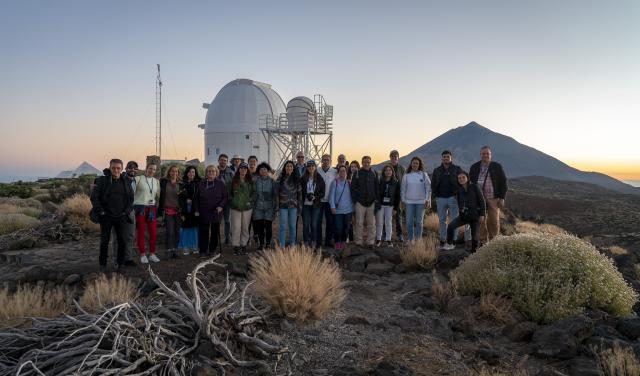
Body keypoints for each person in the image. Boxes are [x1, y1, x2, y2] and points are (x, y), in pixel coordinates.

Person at [90, 159, 134, 272]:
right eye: (113, 168)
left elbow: (130, 199)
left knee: (122, 241)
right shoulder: (101, 180)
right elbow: (94, 197)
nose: (116, 170)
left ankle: (120, 265)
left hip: (121, 216)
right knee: (104, 241)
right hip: (106, 216)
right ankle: (102, 265)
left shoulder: (126, 181)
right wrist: (101, 211)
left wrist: (127, 211)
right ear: (110, 168)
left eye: (118, 168)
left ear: (122, 169)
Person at [469, 146, 508, 243]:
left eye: (487, 154)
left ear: (490, 155)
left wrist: (502, 197)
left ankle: (494, 241)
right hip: (479, 199)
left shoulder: (497, 166)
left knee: (494, 221)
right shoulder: (474, 167)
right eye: (483, 153)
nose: (485, 155)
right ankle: (482, 241)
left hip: (493, 198)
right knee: (481, 221)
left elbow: (504, 182)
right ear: (480, 154)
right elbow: (470, 183)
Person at [431, 150, 468, 247]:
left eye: (447, 156)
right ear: (442, 158)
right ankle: (443, 240)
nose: (446, 158)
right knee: (442, 220)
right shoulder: (437, 170)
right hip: (441, 198)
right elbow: (433, 184)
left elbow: (463, 181)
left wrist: (459, 195)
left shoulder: (456, 169)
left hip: (453, 198)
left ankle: (453, 240)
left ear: (451, 158)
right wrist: (436, 196)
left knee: (454, 220)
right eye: (444, 156)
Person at [444, 171, 486, 252]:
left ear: (467, 178)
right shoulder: (460, 190)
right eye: (459, 178)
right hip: (464, 216)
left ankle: (474, 252)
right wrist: (461, 212)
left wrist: (482, 214)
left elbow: (482, 201)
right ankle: (450, 244)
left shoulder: (475, 187)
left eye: (463, 177)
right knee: (450, 226)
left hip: (475, 216)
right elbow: (460, 202)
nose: (461, 179)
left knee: (474, 237)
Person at [194, 165, 227, 255]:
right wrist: (196, 210)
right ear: (206, 173)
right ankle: (203, 250)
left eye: (213, 171)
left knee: (215, 232)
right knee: (204, 231)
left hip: (216, 211)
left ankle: (212, 249)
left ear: (216, 173)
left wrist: (221, 206)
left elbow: (225, 197)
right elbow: (196, 198)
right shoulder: (201, 183)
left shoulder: (220, 184)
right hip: (203, 211)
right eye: (209, 171)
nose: (211, 173)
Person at [133, 164, 161, 264]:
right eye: (150, 168)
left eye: (154, 169)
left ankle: (152, 254)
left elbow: (158, 196)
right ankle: (143, 254)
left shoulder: (156, 182)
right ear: (146, 169)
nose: (152, 171)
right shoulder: (138, 178)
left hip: (151, 209)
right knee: (141, 232)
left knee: (153, 232)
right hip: (140, 208)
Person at [228, 162, 256, 255]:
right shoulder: (233, 181)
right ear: (238, 169)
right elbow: (229, 194)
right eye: (241, 168)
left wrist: (250, 201)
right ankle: (236, 246)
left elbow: (254, 193)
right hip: (235, 208)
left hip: (247, 208)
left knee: (245, 227)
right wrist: (233, 202)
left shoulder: (250, 181)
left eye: (245, 168)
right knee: (236, 227)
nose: (243, 170)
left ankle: (243, 245)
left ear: (247, 170)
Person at [401, 157, 431, 241]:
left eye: (417, 163)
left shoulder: (424, 175)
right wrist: (403, 200)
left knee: (419, 222)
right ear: (411, 164)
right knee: (409, 222)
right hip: (409, 202)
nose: (415, 165)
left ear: (419, 165)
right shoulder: (406, 176)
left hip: (421, 202)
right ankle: (410, 240)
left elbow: (428, 188)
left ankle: (418, 240)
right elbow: (403, 189)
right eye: (413, 163)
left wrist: (427, 200)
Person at [351, 156, 378, 246]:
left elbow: (377, 187)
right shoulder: (357, 173)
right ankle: (358, 241)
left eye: (368, 162)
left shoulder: (374, 173)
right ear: (362, 163)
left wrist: (376, 200)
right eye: (365, 162)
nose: (366, 164)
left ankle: (370, 242)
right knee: (359, 223)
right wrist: (355, 200)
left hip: (371, 202)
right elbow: (353, 188)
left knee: (372, 224)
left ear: (370, 162)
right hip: (360, 202)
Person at [301, 160, 325, 249]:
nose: (311, 168)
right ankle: (306, 242)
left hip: (316, 205)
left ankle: (314, 242)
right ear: (307, 168)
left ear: (315, 167)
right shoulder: (303, 178)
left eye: (312, 166)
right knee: (306, 224)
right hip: (306, 205)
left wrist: (316, 197)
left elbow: (323, 192)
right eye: (309, 166)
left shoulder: (319, 178)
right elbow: (300, 191)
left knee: (314, 224)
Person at [252, 162, 277, 250]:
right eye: (261, 169)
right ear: (259, 171)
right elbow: (253, 193)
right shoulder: (255, 181)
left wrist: (275, 207)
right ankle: (261, 243)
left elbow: (275, 195)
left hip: (269, 207)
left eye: (265, 169)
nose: (263, 171)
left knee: (268, 226)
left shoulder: (272, 181)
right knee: (259, 227)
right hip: (257, 207)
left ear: (268, 171)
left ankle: (268, 244)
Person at [277, 160, 302, 247]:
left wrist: (299, 207)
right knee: (283, 227)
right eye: (287, 166)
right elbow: (276, 192)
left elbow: (299, 194)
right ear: (284, 168)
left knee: (292, 227)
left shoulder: (296, 179)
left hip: (293, 206)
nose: (289, 168)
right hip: (283, 206)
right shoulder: (280, 178)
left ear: (293, 168)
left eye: (291, 166)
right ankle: (282, 246)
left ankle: (292, 245)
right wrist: (277, 206)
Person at [159, 165, 181, 258]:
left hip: (178, 211)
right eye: (172, 171)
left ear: (178, 173)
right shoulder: (163, 182)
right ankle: (168, 250)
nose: (174, 173)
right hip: (167, 210)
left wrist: (183, 194)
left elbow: (185, 196)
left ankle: (175, 250)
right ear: (169, 172)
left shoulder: (181, 183)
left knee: (177, 231)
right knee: (170, 231)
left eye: (176, 171)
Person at [329, 165, 353, 252]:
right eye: (341, 171)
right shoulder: (335, 183)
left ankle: (343, 241)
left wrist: (353, 208)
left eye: (344, 171)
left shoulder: (349, 183)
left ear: (346, 173)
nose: (343, 173)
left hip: (348, 210)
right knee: (338, 227)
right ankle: (337, 242)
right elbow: (331, 197)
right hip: (338, 210)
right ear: (338, 173)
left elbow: (352, 196)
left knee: (346, 227)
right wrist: (332, 207)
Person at [177, 165, 200, 255]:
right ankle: (185, 247)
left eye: (193, 172)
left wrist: (194, 202)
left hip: (195, 208)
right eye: (190, 172)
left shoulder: (198, 183)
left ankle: (194, 246)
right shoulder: (182, 183)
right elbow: (179, 196)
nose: (191, 173)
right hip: (185, 209)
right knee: (185, 228)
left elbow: (200, 196)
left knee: (195, 228)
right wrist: (185, 199)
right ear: (187, 173)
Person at [376, 164, 400, 247]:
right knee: (379, 222)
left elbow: (397, 196)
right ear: (384, 172)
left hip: (390, 205)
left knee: (388, 222)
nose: (388, 172)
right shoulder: (380, 181)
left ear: (392, 172)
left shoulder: (395, 182)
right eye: (386, 170)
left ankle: (388, 239)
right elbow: (377, 193)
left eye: (390, 170)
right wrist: (377, 203)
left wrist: (396, 208)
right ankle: (378, 239)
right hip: (380, 205)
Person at [317, 154, 337, 248]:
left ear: (330, 161)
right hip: (319, 201)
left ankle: (328, 241)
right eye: (324, 160)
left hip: (330, 201)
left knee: (330, 222)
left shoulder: (334, 172)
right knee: (318, 221)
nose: (325, 161)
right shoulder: (317, 170)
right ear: (321, 161)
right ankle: (319, 241)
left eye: (327, 160)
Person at [123, 161, 139, 265]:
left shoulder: (135, 181)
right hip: (120, 211)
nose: (132, 169)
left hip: (131, 211)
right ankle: (118, 260)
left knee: (130, 235)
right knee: (118, 236)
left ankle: (128, 258)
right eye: (130, 167)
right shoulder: (121, 179)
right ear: (126, 168)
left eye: (134, 168)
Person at [388, 150, 406, 242]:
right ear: (390, 158)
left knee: (398, 216)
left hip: (398, 196)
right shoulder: (387, 167)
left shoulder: (402, 169)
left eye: (396, 157)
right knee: (387, 216)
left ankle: (399, 235)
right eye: (392, 157)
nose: (394, 158)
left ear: (398, 158)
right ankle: (386, 234)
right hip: (388, 196)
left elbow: (404, 182)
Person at [218, 154, 234, 245]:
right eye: (221, 160)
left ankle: (227, 237)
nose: (223, 161)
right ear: (218, 161)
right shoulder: (214, 171)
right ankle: (216, 238)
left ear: (227, 162)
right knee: (217, 220)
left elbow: (234, 186)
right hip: (217, 201)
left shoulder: (231, 172)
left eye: (224, 160)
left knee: (227, 220)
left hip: (227, 200)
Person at [346, 160, 360, 242]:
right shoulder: (347, 177)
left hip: (358, 202)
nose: (353, 168)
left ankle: (357, 237)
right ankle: (349, 237)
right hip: (349, 202)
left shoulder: (360, 177)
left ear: (358, 167)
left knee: (358, 220)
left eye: (355, 166)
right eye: (352, 166)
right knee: (349, 220)